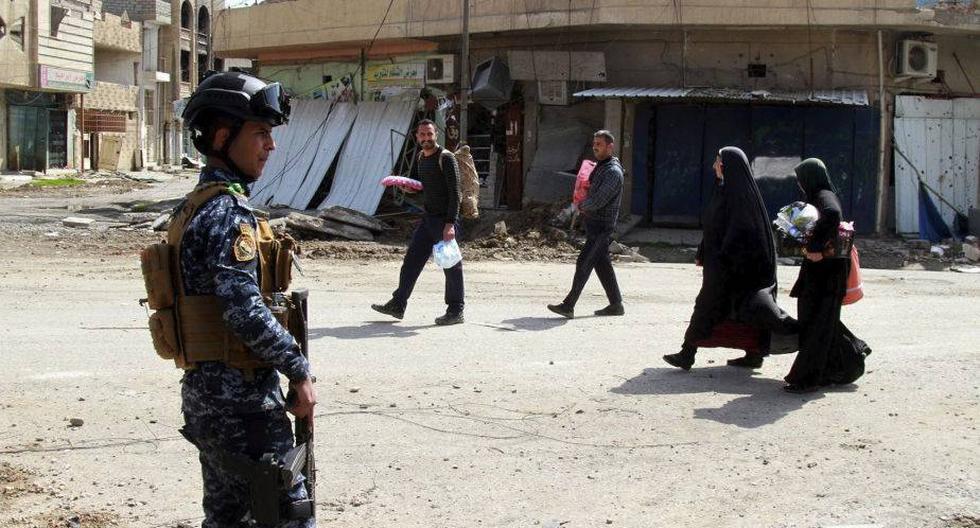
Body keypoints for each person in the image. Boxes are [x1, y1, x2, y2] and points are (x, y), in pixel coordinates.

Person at [177, 71, 316, 527]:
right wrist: (298, 369)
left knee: (227, 517)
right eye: (260, 133)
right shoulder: (228, 214)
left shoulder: (194, 206)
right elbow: (243, 310)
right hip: (243, 405)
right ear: (222, 136)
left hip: (208, 398)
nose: (270, 146)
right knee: (288, 514)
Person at [663, 147, 797, 371]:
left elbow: (743, 233)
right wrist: (703, 252)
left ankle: (688, 353)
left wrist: (726, 258)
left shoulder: (742, 198)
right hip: (720, 266)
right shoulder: (722, 190)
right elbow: (712, 226)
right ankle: (751, 354)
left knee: (709, 306)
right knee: (727, 310)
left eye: (718, 162)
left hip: (734, 270)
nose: (715, 166)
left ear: (727, 167)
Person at [784, 158, 866, 393]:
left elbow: (832, 214)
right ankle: (840, 364)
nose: (799, 183)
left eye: (801, 178)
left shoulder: (823, 196)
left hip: (827, 273)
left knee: (818, 324)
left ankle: (808, 379)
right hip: (824, 272)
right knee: (819, 323)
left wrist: (816, 248)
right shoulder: (819, 195)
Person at [372, 119, 465, 325]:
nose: (426, 139)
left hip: (444, 221)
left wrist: (450, 223)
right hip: (428, 219)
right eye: (422, 135)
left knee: (451, 266)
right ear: (417, 137)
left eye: (429, 135)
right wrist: (411, 189)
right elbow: (428, 186)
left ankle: (456, 310)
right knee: (411, 262)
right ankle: (398, 304)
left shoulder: (446, 158)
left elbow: (455, 192)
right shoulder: (422, 158)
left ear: (436, 135)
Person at [547, 130, 625, 319]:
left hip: (602, 227)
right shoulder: (601, 166)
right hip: (594, 224)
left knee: (584, 262)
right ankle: (616, 305)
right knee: (602, 265)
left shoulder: (613, 172)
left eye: (599, 144)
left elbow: (599, 200)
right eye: (594, 144)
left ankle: (568, 305)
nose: (595, 147)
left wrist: (580, 205)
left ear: (610, 147)